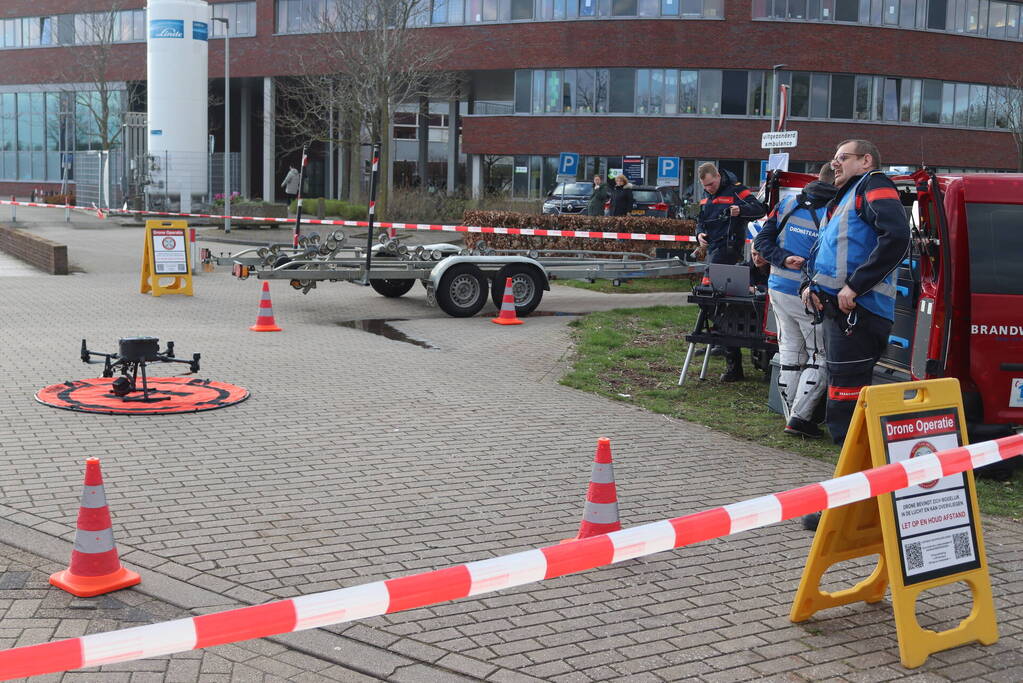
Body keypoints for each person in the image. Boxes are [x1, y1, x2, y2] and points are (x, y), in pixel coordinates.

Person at [802, 140, 910, 445]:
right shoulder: (845, 197)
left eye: (843, 157)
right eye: (834, 158)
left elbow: (897, 237)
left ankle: (852, 453)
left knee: (847, 387)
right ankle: (849, 450)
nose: (834, 163)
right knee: (841, 383)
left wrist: (855, 286)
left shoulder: (873, 185)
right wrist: (809, 285)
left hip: (860, 309)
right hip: (839, 308)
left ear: (866, 161)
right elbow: (823, 251)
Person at [754, 163, 839, 439]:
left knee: (790, 354)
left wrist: (782, 258)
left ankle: (791, 414)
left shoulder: (788, 203)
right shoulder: (835, 211)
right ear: (836, 183)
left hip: (778, 288)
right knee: (819, 356)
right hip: (809, 294)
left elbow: (761, 243)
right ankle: (800, 419)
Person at [695, 163, 768, 381]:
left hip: (728, 248)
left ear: (718, 176)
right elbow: (701, 220)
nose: (709, 189)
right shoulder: (707, 195)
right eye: (705, 186)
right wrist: (699, 235)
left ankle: (724, 343)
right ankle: (721, 337)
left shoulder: (737, 190)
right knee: (710, 297)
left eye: (711, 184)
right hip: (713, 249)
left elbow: (760, 209)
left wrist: (740, 211)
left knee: (708, 293)